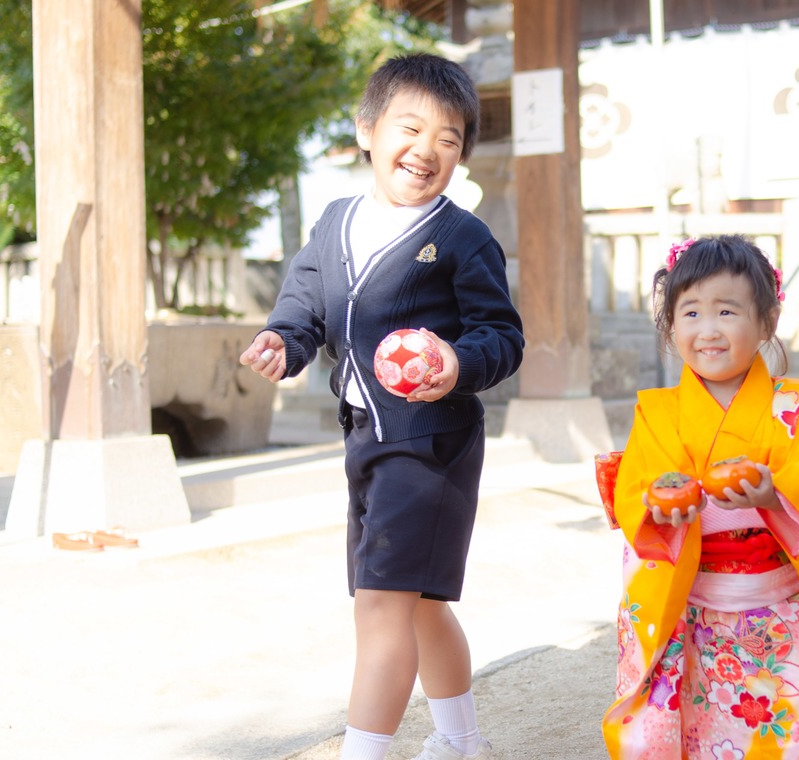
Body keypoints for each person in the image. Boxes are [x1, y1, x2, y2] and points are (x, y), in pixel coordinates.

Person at [239, 52, 523, 760]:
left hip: (432, 443)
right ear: (367, 129)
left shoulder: (462, 237)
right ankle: (461, 742)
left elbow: (503, 337)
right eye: (410, 126)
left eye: (449, 138)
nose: (427, 150)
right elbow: (304, 303)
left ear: (461, 155)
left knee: (381, 606)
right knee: (420, 605)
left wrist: (457, 360)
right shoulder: (335, 222)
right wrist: (283, 339)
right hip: (365, 438)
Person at [599, 236, 799, 758]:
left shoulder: (790, 407)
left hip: (780, 611)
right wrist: (663, 510)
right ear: (670, 324)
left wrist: (775, 498)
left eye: (726, 311)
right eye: (690, 313)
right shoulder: (658, 413)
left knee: (797, 729)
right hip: (697, 616)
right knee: (705, 732)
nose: (707, 330)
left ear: (766, 322)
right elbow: (636, 491)